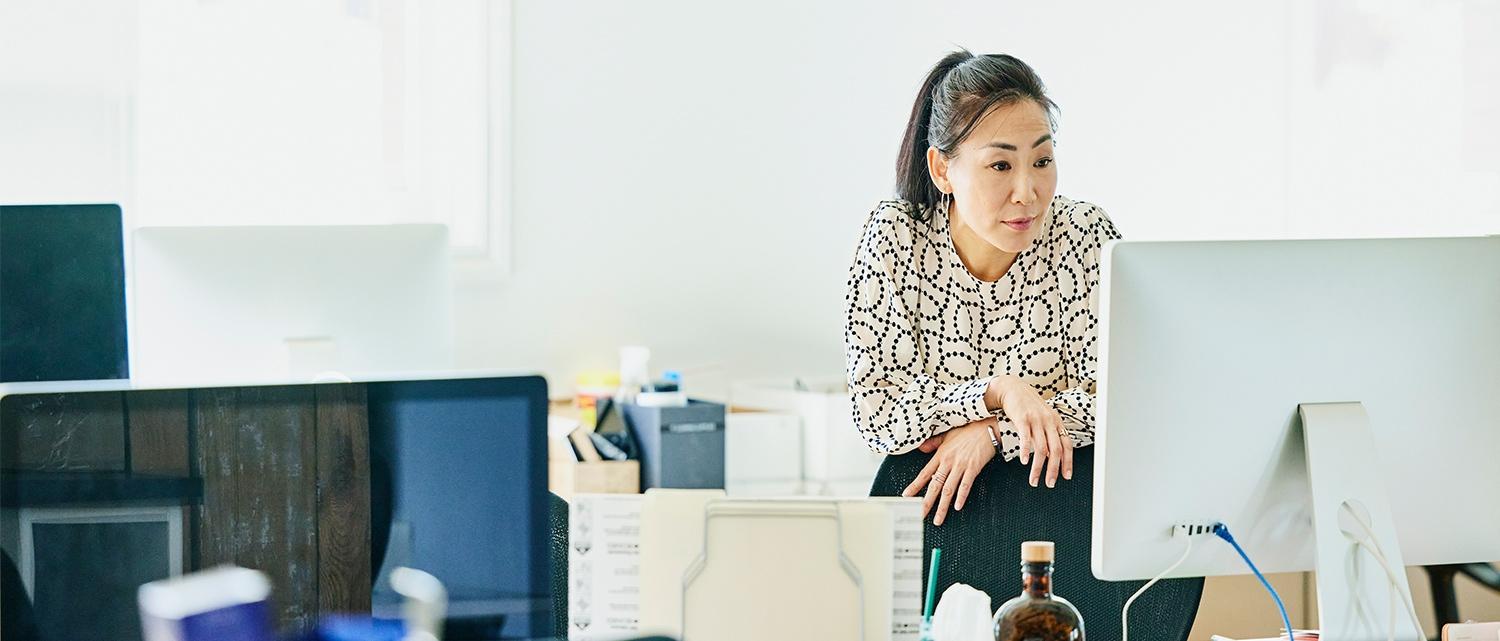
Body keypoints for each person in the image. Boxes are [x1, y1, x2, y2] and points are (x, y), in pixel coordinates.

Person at [846, 50, 1120, 526]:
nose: (1027, 191)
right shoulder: (894, 237)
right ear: (942, 169)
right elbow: (879, 414)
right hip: (936, 524)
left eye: (1042, 160)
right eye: (1000, 166)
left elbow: (1117, 401)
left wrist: (992, 433)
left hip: (1069, 522)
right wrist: (997, 392)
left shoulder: (1083, 236)